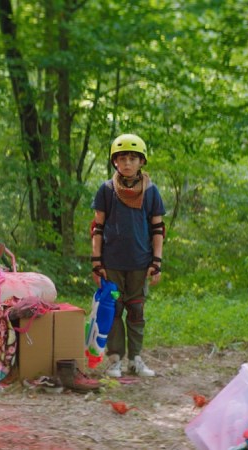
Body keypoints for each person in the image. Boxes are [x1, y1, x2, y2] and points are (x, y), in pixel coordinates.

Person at [90, 133, 166, 378]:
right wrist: (96, 261)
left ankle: (135, 359)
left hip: (139, 263)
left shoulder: (151, 191)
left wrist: (157, 261)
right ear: (115, 162)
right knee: (112, 311)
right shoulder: (107, 190)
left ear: (142, 162)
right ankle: (114, 360)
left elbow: (158, 228)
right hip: (111, 263)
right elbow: (97, 228)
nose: (127, 163)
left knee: (136, 312)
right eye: (122, 158)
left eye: (133, 158)